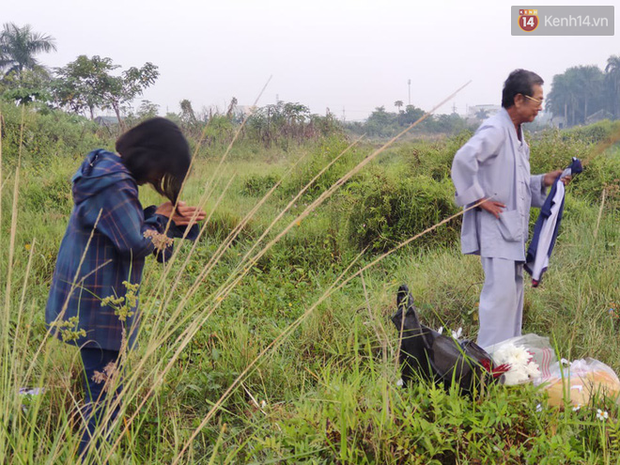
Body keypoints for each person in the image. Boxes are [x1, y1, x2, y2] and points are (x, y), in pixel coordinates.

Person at [45, 117, 206, 459]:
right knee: (103, 400)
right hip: (97, 306)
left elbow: (121, 226)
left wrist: (168, 220)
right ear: (150, 157)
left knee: (104, 392)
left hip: (91, 300)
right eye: (163, 169)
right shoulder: (114, 184)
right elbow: (134, 242)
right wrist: (162, 217)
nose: (158, 179)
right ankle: (93, 456)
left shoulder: (109, 174)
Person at [451, 69, 569, 348]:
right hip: (496, 229)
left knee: (511, 302)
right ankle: (489, 367)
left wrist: (544, 181)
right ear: (518, 99)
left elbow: (515, 184)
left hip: (512, 231)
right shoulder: (496, 129)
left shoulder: (517, 134)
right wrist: (479, 198)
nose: (540, 107)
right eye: (537, 100)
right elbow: (463, 160)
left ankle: (507, 364)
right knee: (498, 303)